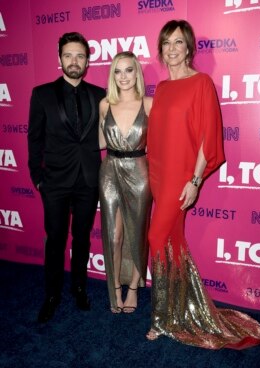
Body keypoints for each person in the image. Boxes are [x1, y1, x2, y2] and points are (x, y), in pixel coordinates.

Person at [146, 19, 260, 348]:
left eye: (178, 43)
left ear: (188, 49)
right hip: (157, 173)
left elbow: (207, 138)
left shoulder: (201, 83)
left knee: (156, 238)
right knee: (172, 243)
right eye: (167, 43)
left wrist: (195, 180)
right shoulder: (164, 87)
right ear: (161, 49)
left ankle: (160, 319)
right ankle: (181, 309)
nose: (172, 49)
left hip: (180, 177)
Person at [28, 32, 106, 323]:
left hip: (88, 180)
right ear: (59, 58)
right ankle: (52, 294)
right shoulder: (42, 94)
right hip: (55, 183)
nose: (75, 61)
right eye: (69, 55)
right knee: (56, 240)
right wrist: (38, 177)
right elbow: (33, 139)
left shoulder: (100, 95)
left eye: (80, 56)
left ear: (87, 61)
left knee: (83, 238)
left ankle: (79, 286)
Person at [98, 51, 152, 313]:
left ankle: (133, 288)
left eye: (128, 70)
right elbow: (99, 142)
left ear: (137, 73)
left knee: (136, 234)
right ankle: (114, 290)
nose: (123, 77)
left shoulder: (149, 104)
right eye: (118, 71)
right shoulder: (105, 104)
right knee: (114, 235)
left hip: (140, 172)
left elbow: (160, 145)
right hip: (109, 170)